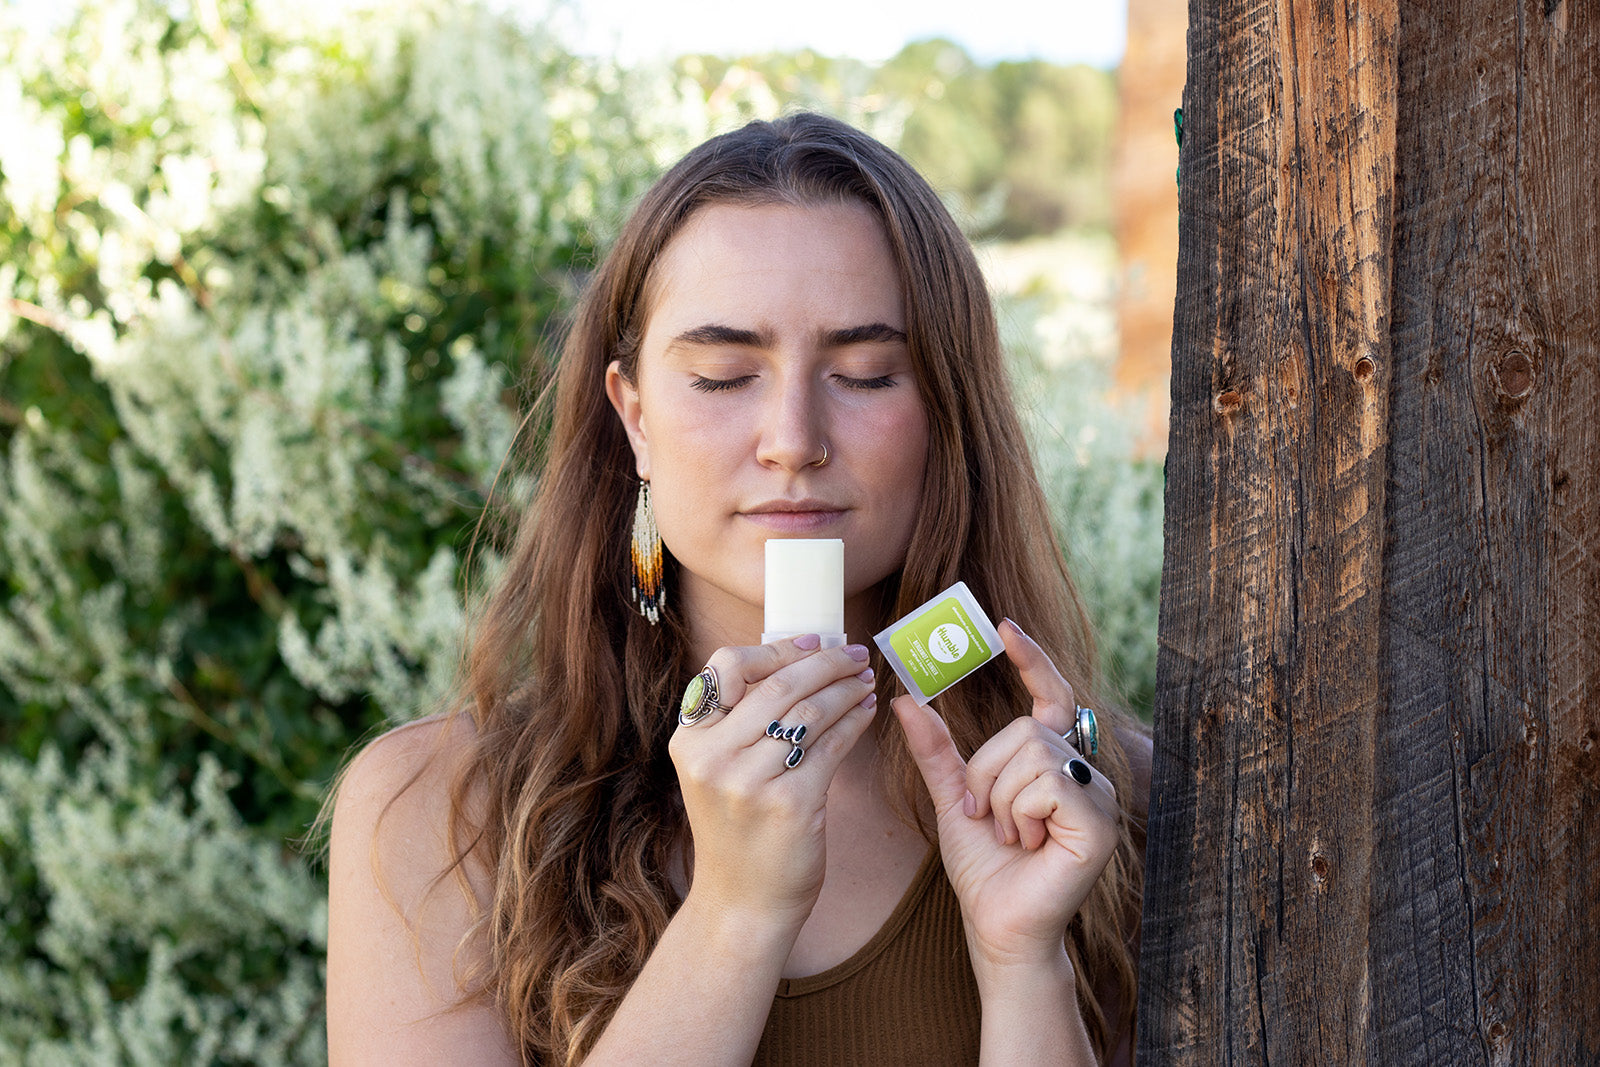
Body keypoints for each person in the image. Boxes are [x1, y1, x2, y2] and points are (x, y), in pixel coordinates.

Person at [326, 111, 1150, 1066]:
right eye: (723, 376)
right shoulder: (435, 812)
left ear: (947, 413)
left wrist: (1022, 965)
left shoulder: (1100, 803)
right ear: (633, 418)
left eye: (868, 374)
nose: (793, 438)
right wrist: (735, 912)